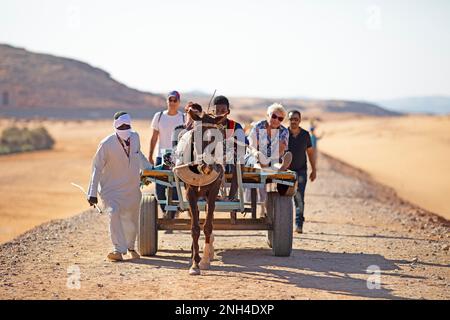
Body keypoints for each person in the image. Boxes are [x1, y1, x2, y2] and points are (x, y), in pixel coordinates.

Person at [87, 111, 152, 261]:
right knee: (114, 213)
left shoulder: (135, 137)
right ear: (115, 126)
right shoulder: (106, 144)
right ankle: (118, 250)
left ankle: (130, 247)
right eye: (121, 126)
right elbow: (96, 167)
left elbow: (138, 154)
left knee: (131, 219)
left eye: (127, 125)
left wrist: (149, 169)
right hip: (111, 190)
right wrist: (92, 193)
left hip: (132, 189)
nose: (124, 128)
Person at [149, 91, 185, 221]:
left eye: (175, 100)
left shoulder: (183, 117)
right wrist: (150, 155)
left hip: (178, 157)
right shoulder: (159, 117)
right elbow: (154, 138)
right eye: (170, 100)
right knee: (159, 186)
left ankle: (173, 212)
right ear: (167, 101)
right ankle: (165, 210)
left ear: (179, 102)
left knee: (175, 186)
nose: (172, 103)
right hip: (161, 156)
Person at [211, 95, 247, 200]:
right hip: (213, 161)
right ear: (213, 111)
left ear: (228, 111)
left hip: (231, 163)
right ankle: (210, 194)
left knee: (239, 161)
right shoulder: (208, 126)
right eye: (217, 110)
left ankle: (232, 196)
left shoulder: (235, 126)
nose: (220, 113)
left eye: (223, 110)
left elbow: (243, 147)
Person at [287, 110, 317, 234]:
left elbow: (310, 153)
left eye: (296, 119)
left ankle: (299, 224)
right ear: (288, 120)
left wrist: (314, 169)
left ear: (300, 120)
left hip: (301, 171)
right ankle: (283, 223)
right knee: (284, 198)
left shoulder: (305, 135)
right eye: (291, 119)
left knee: (299, 197)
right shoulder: (283, 133)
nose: (293, 121)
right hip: (285, 172)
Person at [245, 103, 292, 170]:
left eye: (280, 119)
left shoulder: (284, 131)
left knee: (274, 162)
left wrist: (268, 160)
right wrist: (257, 154)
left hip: (272, 157)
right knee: (256, 162)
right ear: (267, 115)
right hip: (255, 156)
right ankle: (266, 167)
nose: (276, 120)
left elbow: (280, 151)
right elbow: (252, 146)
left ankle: (281, 167)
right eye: (274, 116)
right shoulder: (259, 126)